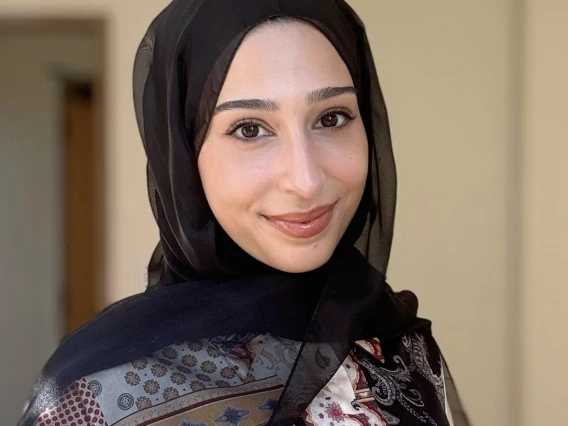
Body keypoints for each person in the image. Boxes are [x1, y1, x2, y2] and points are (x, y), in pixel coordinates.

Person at [19, 1, 470, 425]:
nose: (306, 179)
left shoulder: (398, 344)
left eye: (331, 118)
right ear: (182, 155)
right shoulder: (96, 396)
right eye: (250, 129)